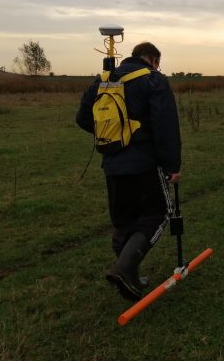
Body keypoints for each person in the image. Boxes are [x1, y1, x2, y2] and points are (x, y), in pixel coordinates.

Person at [76, 41, 181, 301]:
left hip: (112, 164)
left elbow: (82, 118)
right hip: (145, 164)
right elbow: (165, 126)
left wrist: (113, 136)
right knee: (158, 214)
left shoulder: (103, 79)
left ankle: (129, 276)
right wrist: (172, 166)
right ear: (153, 59)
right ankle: (124, 268)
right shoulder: (154, 80)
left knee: (124, 220)